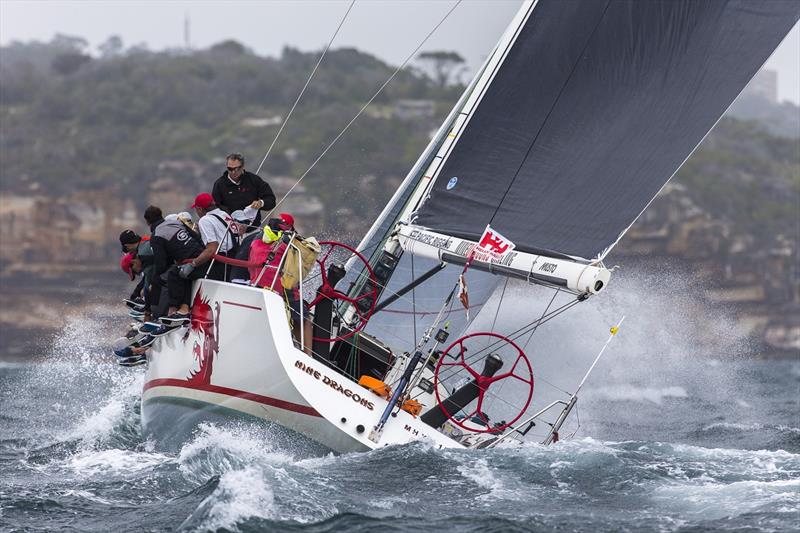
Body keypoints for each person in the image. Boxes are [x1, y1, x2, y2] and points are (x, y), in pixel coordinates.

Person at [150, 207, 209, 324]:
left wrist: (191, 263)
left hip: (201, 262)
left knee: (173, 275)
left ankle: (170, 312)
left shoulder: (159, 235)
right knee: (179, 274)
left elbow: (161, 263)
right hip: (198, 260)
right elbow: (197, 241)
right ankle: (178, 310)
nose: (188, 223)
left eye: (188, 221)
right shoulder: (179, 227)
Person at [211, 153, 276, 226]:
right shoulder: (219, 184)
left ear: (243, 167)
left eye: (237, 169)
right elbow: (215, 207)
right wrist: (229, 214)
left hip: (253, 229)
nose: (233, 172)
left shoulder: (254, 180)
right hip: (229, 231)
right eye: (230, 169)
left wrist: (261, 203)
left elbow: (271, 200)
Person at [187, 192, 238, 281]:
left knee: (177, 274)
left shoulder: (205, 220)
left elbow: (211, 249)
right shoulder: (224, 214)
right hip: (234, 260)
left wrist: (192, 264)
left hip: (221, 264)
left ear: (199, 209)